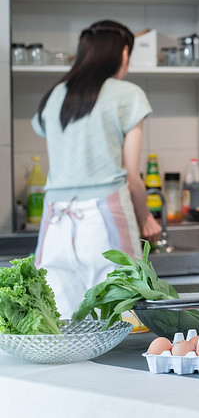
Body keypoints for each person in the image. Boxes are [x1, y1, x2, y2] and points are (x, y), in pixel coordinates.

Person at [31, 20, 162, 318]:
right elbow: (132, 176)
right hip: (104, 216)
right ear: (124, 53)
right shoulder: (128, 95)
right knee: (119, 317)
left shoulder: (53, 96)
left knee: (59, 321)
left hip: (56, 221)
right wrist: (146, 218)